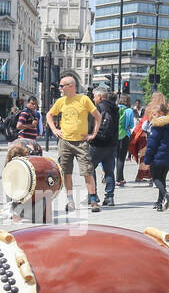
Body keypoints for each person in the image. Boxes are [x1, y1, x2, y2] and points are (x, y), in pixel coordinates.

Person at [46, 73, 101, 212]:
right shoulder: (61, 101)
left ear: (70, 86)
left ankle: (93, 199)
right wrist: (55, 130)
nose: (59, 88)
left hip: (81, 142)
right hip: (65, 142)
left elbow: (98, 116)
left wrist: (93, 134)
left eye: (61, 86)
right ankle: (70, 201)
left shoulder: (84, 99)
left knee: (87, 171)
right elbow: (49, 115)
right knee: (66, 172)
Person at [143, 93, 169, 211]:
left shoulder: (158, 125)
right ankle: (159, 202)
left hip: (158, 155)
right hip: (168, 155)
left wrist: (147, 158)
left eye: (154, 114)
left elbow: (152, 143)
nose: (152, 116)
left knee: (155, 178)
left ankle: (165, 194)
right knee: (162, 178)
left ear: (161, 114)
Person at [88, 85, 119, 206]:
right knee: (109, 171)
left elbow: (95, 124)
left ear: (100, 96)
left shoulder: (99, 107)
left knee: (90, 168)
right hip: (111, 144)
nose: (94, 99)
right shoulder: (115, 107)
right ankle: (109, 197)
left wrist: (91, 135)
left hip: (98, 143)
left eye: (95, 96)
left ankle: (93, 195)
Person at [115, 96, 135, 186]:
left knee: (116, 158)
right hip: (125, 136)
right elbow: (131, 125)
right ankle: (118, 179)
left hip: (115, 136)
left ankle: (121, 177)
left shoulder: (115, 108)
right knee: (121, 158)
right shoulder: (129, 111)